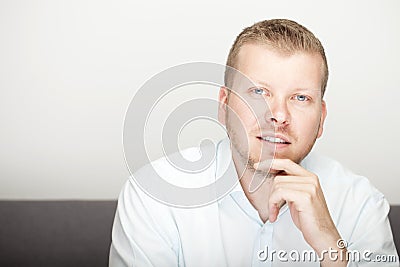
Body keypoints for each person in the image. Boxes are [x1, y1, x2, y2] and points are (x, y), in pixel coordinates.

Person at [109, 19, 398, 266]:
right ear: (224, 105)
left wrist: (331, 248)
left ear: (321, 118)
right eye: (259, 92)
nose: (279, 115)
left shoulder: (360, 204)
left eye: (300, 98)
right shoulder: (155, 196)